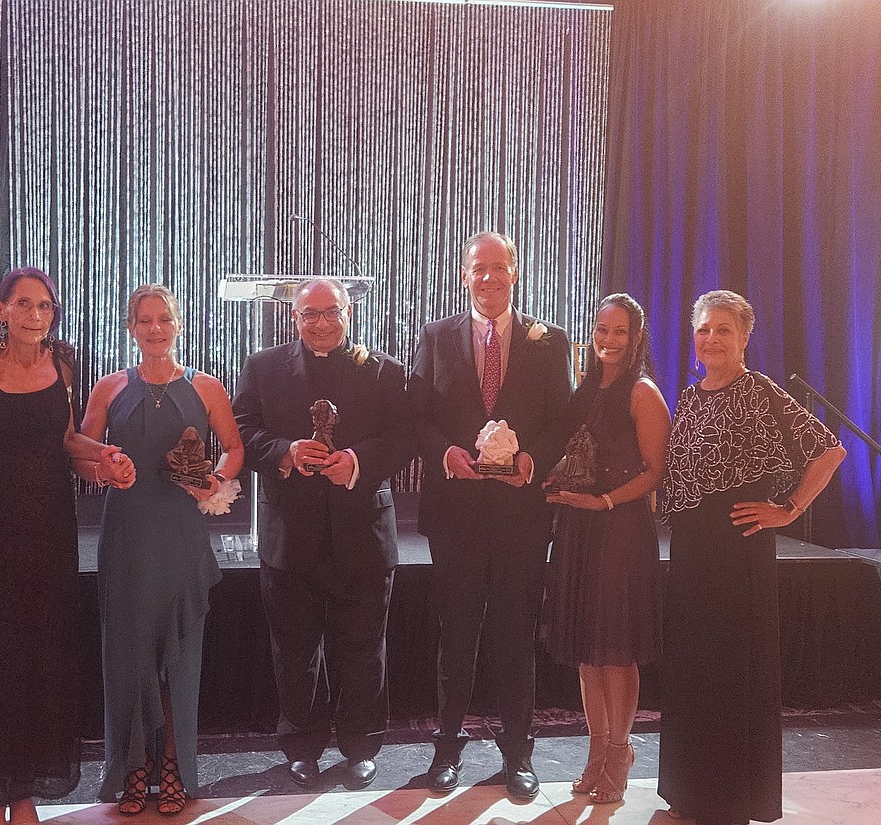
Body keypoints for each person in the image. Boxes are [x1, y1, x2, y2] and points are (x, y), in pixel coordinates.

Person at [0, 267, 134, 825]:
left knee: (41, 659)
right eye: (25, 305)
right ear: (0, 309)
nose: (37, 316)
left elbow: (66, 440)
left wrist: (103, 458)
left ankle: (25, 793)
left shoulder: (66, 362)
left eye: (46, 307)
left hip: (52, 529)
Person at [658, 290, 846, 825]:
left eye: (723, 329)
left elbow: (830, 450)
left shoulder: (759, 391)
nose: (711, 338)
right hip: (693, 552)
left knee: (733, 671)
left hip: (740, 551)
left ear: (744, 338)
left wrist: (788, 508)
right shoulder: (691, 397)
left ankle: (732, 800)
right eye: (704, 329)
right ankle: (690, 792)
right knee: (693, 668)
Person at [409, 231, 572, 799]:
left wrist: (535, 458)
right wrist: (445, 454)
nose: (489, 278)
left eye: (499, 268)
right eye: (479, 269)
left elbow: (562, 421)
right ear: (463, 275)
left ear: (516, 274)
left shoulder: (550, 340)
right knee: (456, 635)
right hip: (455, 515)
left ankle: (518, 754)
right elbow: (419, 417)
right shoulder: (435, 336)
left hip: (522, 517)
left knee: (514, 636)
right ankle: (447, 748)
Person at [232, 278, 412, 791]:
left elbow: (406, 437)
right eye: (309, 313)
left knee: (363, 647)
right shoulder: (263, 367)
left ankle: (360, 747)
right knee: (294, 651)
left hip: (364, 534)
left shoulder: (384, 371)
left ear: (349, 312)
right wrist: (285, 451)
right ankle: (302, 748)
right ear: (293, 318)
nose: (320, 322)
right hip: (291, 536)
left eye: (330, 311)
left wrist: (358, 461)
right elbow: (240, 430)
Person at [81, 284, 244, 816]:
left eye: (164, 319)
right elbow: (80, 454)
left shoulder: (207, 386)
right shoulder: (108, 388)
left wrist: (214, 482)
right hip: (127, 536)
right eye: (144, 320)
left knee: (178, 655)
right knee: (126, 657)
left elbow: (235, 448)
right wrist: (103, 468)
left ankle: (173, 766)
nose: (155, 329)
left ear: (178, 325)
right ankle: (132, 770)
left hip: (180, 537)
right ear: (131, 328)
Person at [542, 293, 670, 804]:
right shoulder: (586, 388)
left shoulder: (643, 392)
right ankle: (596, 752)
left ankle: (620, 751)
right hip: (577, 527)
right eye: (601, 329)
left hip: (619, 529)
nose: (608, 339)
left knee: (616, 649)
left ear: (636, 337)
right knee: (587, 653)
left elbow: (656, 472)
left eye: (619, 331)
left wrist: (605, 502)